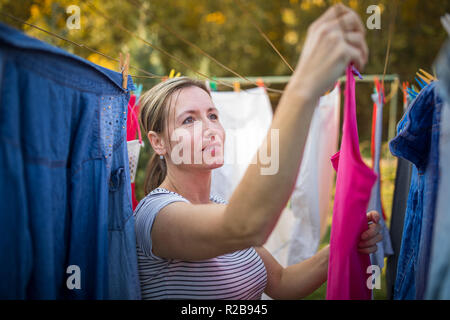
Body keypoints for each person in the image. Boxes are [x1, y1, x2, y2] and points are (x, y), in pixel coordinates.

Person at [134, 4, 382, 300]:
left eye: (213, 115)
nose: (210, 127)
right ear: (157, 142)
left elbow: (281, 281)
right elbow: (245, 226)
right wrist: (304, 86)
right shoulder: (156, 215)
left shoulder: (219, 205)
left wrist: (343, 243)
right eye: (189, 119)